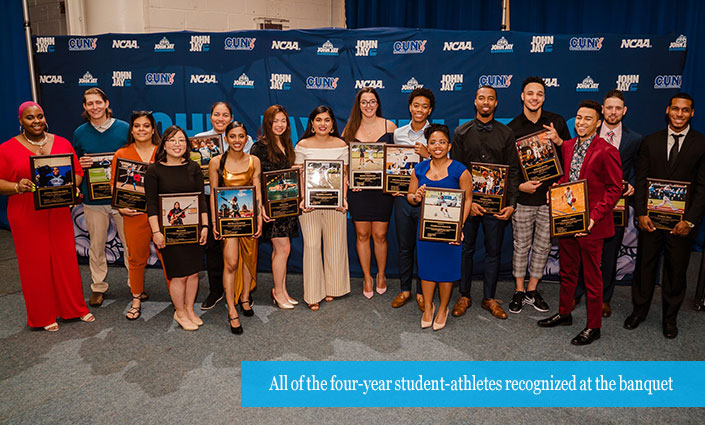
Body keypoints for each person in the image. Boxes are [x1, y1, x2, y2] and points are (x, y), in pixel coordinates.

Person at [0, 101, 94, 331]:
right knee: (35, 263)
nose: (36, 121)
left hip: (58, 211)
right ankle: (42, 316)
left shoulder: (61, 142)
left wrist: (73, 187)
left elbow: (77, 173)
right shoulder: (6, 149)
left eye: (39, 116)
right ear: (21, 121)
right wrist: (16, 187)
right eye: (30, 118)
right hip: (26, 213)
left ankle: (74, 308)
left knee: (65, 260)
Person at [537, 100, 622, 346]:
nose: (582, 122)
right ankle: (565, 313)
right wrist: (556, 188)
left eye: (588, 118)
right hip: (568, 220)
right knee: (568, 271)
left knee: (593, 278)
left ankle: (593, 326)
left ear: (598, 123)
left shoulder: (607, 150)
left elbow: (615, 188)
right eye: (579, 117)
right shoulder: (569, 145)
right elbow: (569, 177)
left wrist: (594, 217)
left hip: (592, 225)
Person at [626, 92, 705, 339]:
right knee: (645, 267)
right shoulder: (650, 141)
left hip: (681, 224)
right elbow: (640, 180)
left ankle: (670, 318)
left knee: (676, 270)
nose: (679, 114)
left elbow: (703, 187)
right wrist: (640, 213)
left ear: (691, 113)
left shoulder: (702, 144)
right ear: (668, 111)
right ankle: (639, 311)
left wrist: (689, 220)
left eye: (685, 110)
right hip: (650, 221)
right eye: (675, 109)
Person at [450, 85, 520, 320]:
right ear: (475, 101)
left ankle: (489, 297)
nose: (486, 102)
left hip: (497, 206)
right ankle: (464, 295)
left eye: (490, 98)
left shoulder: (506, 133)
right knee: (466, 250)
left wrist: (511, 203)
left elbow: (513, 171)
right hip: (469, 205)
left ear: (496, 103)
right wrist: (466, 204)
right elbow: (456, 172)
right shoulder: (461, 132)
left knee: (493, 251)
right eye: (482, 98)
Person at [573, 89, 643, 317]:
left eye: (617, 108)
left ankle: (605, 298)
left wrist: (631, 183)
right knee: (583, 250)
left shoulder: (635, 139)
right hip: (587, 204)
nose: (613, 112)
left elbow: (638, 170)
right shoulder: (588, 133)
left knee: (610, 253)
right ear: (602, 111)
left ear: (624, 111)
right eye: (609, 107)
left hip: (616, 207)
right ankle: (577, 293)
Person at [507, 76, 571, 315]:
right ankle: (519, 291)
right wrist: (520, 187)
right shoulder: (512, 128)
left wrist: (559, 141)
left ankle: (533, 290)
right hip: (524, 200)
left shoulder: (556, 122)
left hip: (550, 199)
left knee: (543, 246)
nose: (535, 97)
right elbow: (510, 168)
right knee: (521, 246)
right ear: (522, 96)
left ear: (544, 97)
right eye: (530, 93)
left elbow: (570, 157)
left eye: (539, 94)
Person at [407, 124, 472, 331]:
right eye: (433, 142)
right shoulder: (419, 169)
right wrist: (416, 196)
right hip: (426, 231)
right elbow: (410, 196)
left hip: (451, 232)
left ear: (449, 145)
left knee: (447, 271)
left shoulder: (460, 170)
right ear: (428, 145)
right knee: (426, 270)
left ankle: (443, 308)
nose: (437, 146)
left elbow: (468, 200)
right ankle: (428, 307)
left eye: (442, 142)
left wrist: (459, 227)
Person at [72, 87, 131, 307]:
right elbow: (75, 164)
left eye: (98, 102)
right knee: (96, 246)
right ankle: (98, 287)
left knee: (130, 245)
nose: (95, 107)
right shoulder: (80, 132)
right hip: (93, 199)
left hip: (122, 199)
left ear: (106, 103)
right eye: (90, 103)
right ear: (85, 107)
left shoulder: (124, 128)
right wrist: (80, 163)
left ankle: (135, 285)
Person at [146, 126, 209, 331]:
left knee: (192, 273)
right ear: (164, 144)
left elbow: (201, 200)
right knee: (179, 274)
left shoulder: (194, 168)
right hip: (168, 233)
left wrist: (205, 225)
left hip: (192, 230)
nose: (177, 144)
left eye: (181, 140)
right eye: (172, 140)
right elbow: (152, 204)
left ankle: (190, 309)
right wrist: (156, 232)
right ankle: (179, 312)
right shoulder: (154, 171)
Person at [196, 102, 254, 311]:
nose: (220, 118)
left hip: (240, 203)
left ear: (231, 117)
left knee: (241, 251)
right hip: (209, 198)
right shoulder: (199, 141)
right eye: (217, 115)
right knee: (212, 247)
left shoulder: (247, 142)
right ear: (211, 116)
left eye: (225, 115)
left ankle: (243, 292)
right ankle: (215, 290)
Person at [111, 111, 168, 321]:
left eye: (146, 126)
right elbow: (114, 187)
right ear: (132, 130)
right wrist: (121, 207)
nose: (141, 129)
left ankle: (177, 298)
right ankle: (136, 299)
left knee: (169, 257)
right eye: (137, 126)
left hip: (162, 217)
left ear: (153, 129)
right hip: (134, 216)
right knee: (136, 258)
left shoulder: (164, 152)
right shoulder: (122, 154)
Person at [341, 88, 398, 298]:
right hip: (359, 191)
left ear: (377, 103)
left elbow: (397, 158)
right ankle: (367, 276)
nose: (368, 106)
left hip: (382, 192)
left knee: (380, 235)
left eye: (372, 101)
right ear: (358, 105)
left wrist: (394, 182)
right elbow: (344, 161)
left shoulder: (389, 126)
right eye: (364, 102)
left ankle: (381, 274)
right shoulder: (349, 128)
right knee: (362, 234)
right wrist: (348, 179)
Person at [209, 122, 263, 334]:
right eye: (233, 136)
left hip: (248, 218)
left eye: (241, 136)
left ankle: (245, 298)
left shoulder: (254, 160)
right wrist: (215, 223)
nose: (237, 140)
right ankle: (231, 308)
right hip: (227, 223)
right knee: (231, 263)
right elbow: (214, 194)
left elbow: (257, 191)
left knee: (249, 258)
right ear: (226, 138)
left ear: (246, 138)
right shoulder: (216, 162)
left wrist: (258, 218)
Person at [294, 106, 350, 311]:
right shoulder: (302, 145)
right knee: (311, 246)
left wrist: (344, 199)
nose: (323, 124)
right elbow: (299, 176)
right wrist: (301, 199)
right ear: (312, 123)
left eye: (327, 120)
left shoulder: (341, 145)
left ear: (333, 123)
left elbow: (344, 175)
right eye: (318, 120)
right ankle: (312, 293)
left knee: (335, 245)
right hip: (308, 205)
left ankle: (333, 288)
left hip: (335, 205)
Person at [250, 105, 299, 309]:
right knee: (283, 248)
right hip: (270, 208)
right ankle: (278, 292)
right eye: (275, 121)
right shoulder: (259, 147)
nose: (279, 125)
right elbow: (255, 180)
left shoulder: (286, 144)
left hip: (286, 206)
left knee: (281, 250)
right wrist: (259, 207)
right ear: (267, 123)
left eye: (283, 121)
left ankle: (281, 290)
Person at [391, 87, 434, 311]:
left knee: (424, 247)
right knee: (405, 246)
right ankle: (405, 289)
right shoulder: (398, 133)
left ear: (430, 110)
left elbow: (445, 165)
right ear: (410, 107)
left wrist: (428, 155)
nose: (419, 110)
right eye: (416, 105)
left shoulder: (435, 136)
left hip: (427, 199)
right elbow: (393, 164)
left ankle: (421, 292)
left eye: (424, 106)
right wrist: (394, 185)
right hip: (402, 199)